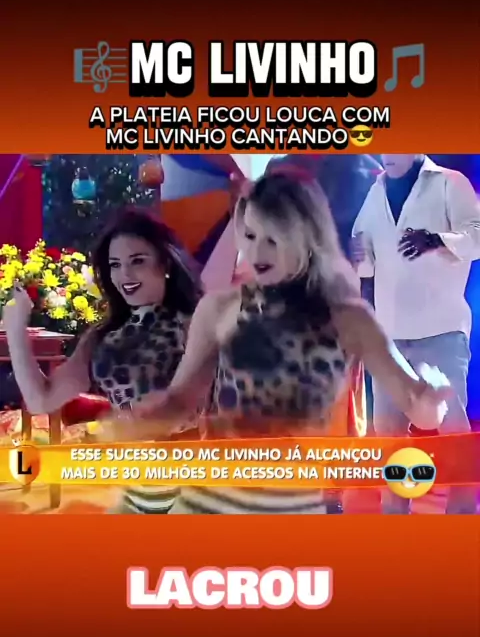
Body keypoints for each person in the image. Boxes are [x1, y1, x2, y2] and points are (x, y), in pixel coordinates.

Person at [115, 172, 451, 515]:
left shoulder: (350, 318)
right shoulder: (218, 309)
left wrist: (433, 400)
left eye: (273, 239)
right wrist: (137, 421)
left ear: (305, 237)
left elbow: (419, 407)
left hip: (303, 501)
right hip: (214, 498)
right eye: (250, 235)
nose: (257, 252)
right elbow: (181, 399)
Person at [2, 207, 203, 514]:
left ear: (165, 263)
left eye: (137, 261)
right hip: (137, 481)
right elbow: (41, 400)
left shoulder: (197, 323)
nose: (125, 275)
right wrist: (16, 329)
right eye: (115, 265)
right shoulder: (103, 337)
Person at [351, 154, 480, 514]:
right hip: (390, 337)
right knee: (389, 434)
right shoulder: (376, 190)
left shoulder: (449, 183)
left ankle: (462, 518)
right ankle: (395, 520)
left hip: (440, 330)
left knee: (452, 431)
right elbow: (364, 254)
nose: (388, 155)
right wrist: (357, 254)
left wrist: (437, 240)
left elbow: (478, 235)